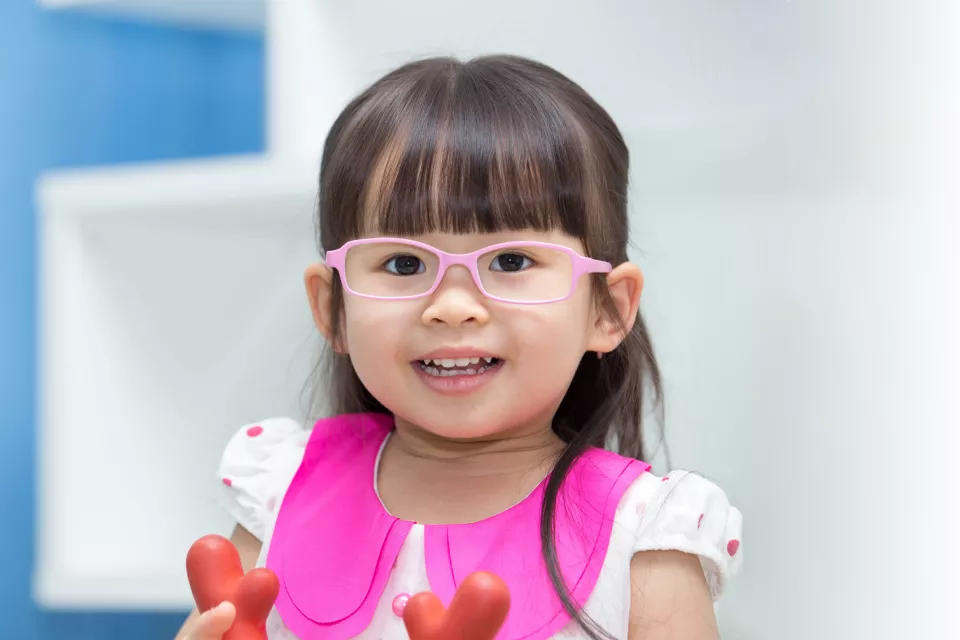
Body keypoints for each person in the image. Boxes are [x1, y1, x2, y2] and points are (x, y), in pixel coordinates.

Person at [176, 54, 742, 640]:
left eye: (511, 261)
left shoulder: (645, 532)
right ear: (332, 307)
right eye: (402, 263)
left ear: (609, 308)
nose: (452, 305)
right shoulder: (281, 490)